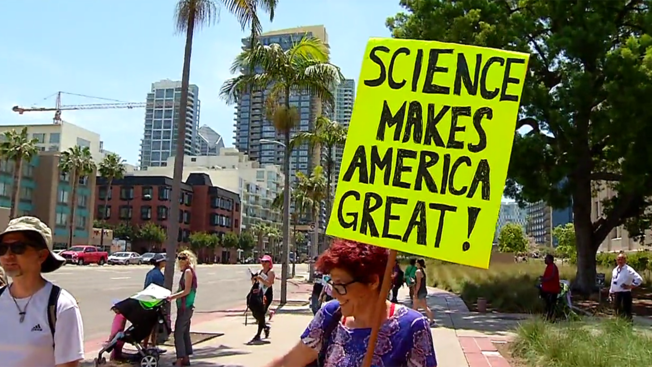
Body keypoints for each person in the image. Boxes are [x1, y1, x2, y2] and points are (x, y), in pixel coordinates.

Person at [263, 239, 437, 367]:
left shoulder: (413, 327)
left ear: (373, 281)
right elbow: (288, 362)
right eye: (332, 284)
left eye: (340, 285)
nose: (335, 294)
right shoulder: (330, 315)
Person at [0, 216, 84, 367]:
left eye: (18, 247)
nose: (7, 255)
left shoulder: (61, 306)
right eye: (2, 248)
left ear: (41, 255)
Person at [168, 250, 198, 367]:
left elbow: (186, 291)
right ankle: (185, 358)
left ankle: (180, 359)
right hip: (184, 306)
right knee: (184, 333)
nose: (180, 260)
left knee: (178, 333)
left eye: (183, 258)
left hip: (186, 307)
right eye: (179, 258)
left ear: (188, 259)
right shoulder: (186, 271)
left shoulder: (188, 272)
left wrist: (172, 297)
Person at [610, 252, 643, 321]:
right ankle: (618, 326)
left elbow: (639, 279)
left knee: (626, 311)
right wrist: (611, 291)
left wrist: (630, 286)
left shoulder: (628, 270)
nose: (620, 261)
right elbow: (613, 281)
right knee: (617, 310)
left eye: (622, 259)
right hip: (616, 293)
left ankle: (628, 326)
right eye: (618, 259)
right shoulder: (615, 270)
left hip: (625, 293)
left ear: (625, 260)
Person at [142, 256, 166, 350]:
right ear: (160, 263)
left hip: (146, 301)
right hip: (154, 302)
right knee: (154, 326)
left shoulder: (150, 273)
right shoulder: (158, 275)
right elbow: (159, 289)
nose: (165, 262)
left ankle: (145, 345)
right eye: (163, 261)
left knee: (148, 325)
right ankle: (153, 345)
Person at [250, 255, 275, 342]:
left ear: (269, 263)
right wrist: (254, 279)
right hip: (259, 294)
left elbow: (269, 284)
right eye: (262, 261)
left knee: (261, 313)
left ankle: (258, 334)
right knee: (255, 313)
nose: (263, 263)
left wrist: (261, 278)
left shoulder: (271, 272)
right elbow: (255, 283)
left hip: (267, 295)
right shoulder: (260, 271)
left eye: (265, 262)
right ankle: (265, 327)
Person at [413, 259, 435, 326]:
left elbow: (418, 283)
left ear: (419, 263)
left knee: (422, 307)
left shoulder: (418, 271)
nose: (415, 264)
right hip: (423, 290)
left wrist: (416, 292)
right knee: (416, 307)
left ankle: (431, 320)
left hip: (420, 291)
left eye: (416, 263)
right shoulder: (422, 270)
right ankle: (416, 320)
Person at [540, 254, 560, 321]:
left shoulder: (553, 267)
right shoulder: (548, 267)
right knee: (547, 304)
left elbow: (552, 276)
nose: (545, 260)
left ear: (550, 260)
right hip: (547, 289)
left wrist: (545, 279)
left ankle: (550, 318)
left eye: (546, 259)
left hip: (552, 289)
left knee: (551, 304)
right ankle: (547, 316)